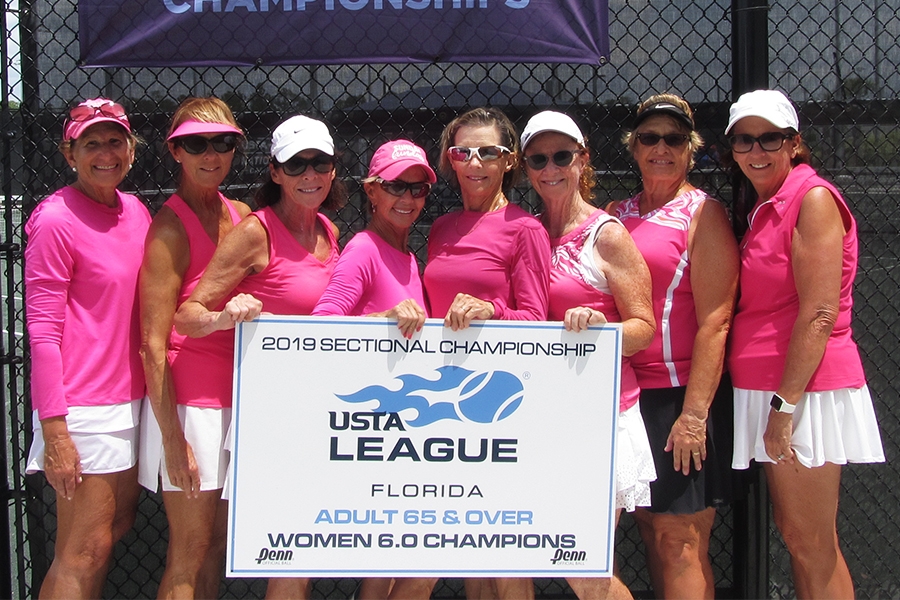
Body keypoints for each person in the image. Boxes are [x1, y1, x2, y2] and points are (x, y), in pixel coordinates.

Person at [174, 114, 346, 600]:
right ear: (275, 172)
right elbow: (186, 315)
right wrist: (224, 317)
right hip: (245, 412)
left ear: (334, 169)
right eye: (296, 165)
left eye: (320, 163)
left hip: (303, 414)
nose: (309, 175)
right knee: (209, 550)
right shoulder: (255, 232)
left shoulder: (330, 231)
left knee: (294, 551)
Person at [725, 89, 884, 598]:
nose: (756, 150)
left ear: (794, 144)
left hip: (800, 392)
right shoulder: (765, 204)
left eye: (770, 138)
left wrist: (784, 407)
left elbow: (819, 313)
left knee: (809, 540)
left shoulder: (812, 198)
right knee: (799, 536)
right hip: (771, 388)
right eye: (744, 140)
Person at [395, 107, 550, 600]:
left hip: (496, 408)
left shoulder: (525, 229)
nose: (475, 162)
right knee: (447, 558)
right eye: (463, 152)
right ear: (450, 160)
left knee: (503, 561)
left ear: (509, 160)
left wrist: (491, 311)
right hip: (439, 408)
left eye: (488, 152)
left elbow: (537, 323)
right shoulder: (441, 226)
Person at [608, 94, 740, 599]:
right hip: (623, 396)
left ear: (691, 149)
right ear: (633, 147)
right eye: (649, 138)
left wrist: (694, 416)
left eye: (674, 139)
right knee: (648, 529)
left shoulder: (703, 214)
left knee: (679, 540)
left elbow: (716, 320)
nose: (660, 148)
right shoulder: (615, 215)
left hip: (679, 397)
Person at [521, 110, 656, 600]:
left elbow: (644, 327)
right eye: (538, 159)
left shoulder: (607, 234)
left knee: (583, 567)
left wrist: (603, 330)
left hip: (601, 416)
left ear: (583, 160)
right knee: (561, 559)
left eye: (562, 156)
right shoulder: (529, 232)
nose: (550, 168)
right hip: (539, 417)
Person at [24, 98, 150, 598]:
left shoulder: (136, 211)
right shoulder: (55, 219)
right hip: (83, 410)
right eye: (91, 143)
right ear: (69, 153)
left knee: (114, 528)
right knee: (83, 552)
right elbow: (42, 332)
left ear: (131, 150)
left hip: (132, 401)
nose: (105, 153)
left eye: (115, 141)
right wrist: (55, 431)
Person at [137, 97, 252, 599]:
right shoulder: (168, 227)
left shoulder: (241, 215)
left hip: (240, 400)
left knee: (217, 547)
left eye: (222, 142)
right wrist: (172, 437)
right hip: (191, 409)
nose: (211, 154)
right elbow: (151, 345)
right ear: (175, 151)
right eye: (196, 143)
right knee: (189, 550)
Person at [313, 139, 434, 599]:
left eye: (418, 189)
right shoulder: (364, 248)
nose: (408, 198)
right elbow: (322, 325)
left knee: (401, 568)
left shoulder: (407, 256)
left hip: (403, 430)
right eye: (396, 187)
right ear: (372, 191)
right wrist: (381, 320)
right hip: (373, 430)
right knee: (410, 566)